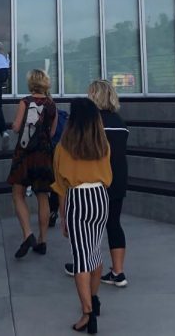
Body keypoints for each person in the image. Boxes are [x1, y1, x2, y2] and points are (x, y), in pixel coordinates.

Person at [54, 98, 112, 334]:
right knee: (95, 252)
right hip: (100, 197)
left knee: (80, 259)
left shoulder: (63, 147)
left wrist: (63, 216)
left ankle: (87, 313)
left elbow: (60, 186)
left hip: (77, 199)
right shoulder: (103, 145)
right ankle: (94, 298)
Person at [65, 80, 129, 287]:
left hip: (95, 180)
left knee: (87, 226)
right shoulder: (120, 122)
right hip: (118, 179)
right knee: (113, 223)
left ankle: (83, 265)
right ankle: (118, 272)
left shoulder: (92, 122)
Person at [8, 69, 57, 259]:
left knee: (18, 194)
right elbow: (52, 133)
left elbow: (17, 127)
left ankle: (28, 234)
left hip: (24, 154)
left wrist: (14, 126)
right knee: (42, 196)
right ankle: (42, 240)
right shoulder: (52, 105)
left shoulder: (25, 102)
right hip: (44, 154)